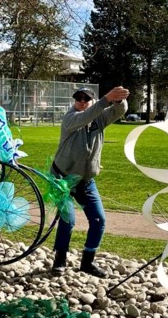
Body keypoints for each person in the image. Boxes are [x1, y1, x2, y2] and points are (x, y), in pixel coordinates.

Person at [51, 85, 129, 277]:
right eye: (79, 98)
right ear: (74, 100)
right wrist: (105, 100)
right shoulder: (70, 118)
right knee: (68, 220)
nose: (82, 102)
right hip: (63, 179)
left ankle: (88, 262)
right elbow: (84, 117)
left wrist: (118, 100)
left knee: (98, 220)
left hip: (86, 181)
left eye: (87, 99)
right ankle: (59, 260)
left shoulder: (99, 118)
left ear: (92, 101)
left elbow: (120, 111)